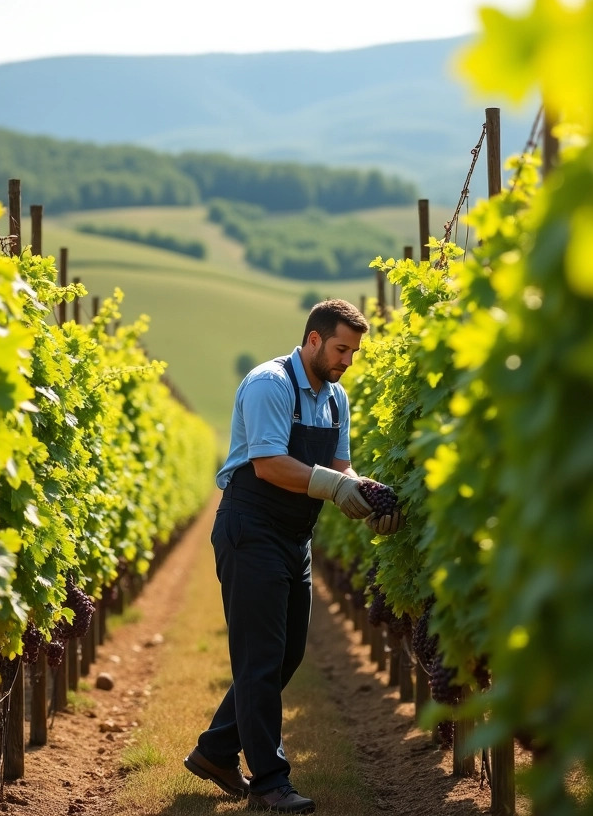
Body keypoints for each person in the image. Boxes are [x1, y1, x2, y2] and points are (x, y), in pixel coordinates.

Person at [183, 299, 404, 813]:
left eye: (353, 351)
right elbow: (267, 465)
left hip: (293, 537)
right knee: (259, 661)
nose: (347, 360)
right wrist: (331, 485)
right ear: (312, 339)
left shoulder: (335, 398)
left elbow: (340, 466)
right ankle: (269, 781)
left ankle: (216, 750)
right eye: (340, 349)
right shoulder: (270, 384)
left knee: (286, 656)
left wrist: (369, 497)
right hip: (251, 528)